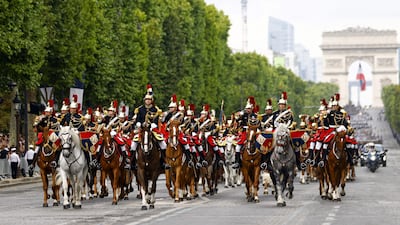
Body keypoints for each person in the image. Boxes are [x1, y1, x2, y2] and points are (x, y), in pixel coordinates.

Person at [132, 84, 168, 169]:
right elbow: (138, 119)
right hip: (142, 130)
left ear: (151, 100)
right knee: (133, 145)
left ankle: (164, 162)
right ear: (144, 100)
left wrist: (152, 125)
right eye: (146, 100)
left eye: (149, 99)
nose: (147, 101)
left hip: (152, 130)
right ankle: (133, 163)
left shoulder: (155, 109)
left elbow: (156, 120)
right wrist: (139, 124)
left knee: (163, 144)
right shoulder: (140, 109)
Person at [316, 93, 349, 167]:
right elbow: (326, 124)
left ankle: (350, 159)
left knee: (348, 144)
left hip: (339, 131)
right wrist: (324, 118)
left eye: (335, 106)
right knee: (325, 142)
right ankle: (323, 160)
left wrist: (342, 128)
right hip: (331, 131)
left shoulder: (341, 114)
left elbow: (345, 123)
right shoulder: (329, 113)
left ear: (337, 106)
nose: (334, 107)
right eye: (333, 106)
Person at [232, 96, 258, 169]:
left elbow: (258, 124)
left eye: (249, 109)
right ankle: (237, 162)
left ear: (252, 108)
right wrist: (238, 116)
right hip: (244, 133)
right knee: (237, 147)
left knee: (260, 145)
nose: (248, 110)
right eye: (247, 109)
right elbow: (237, 120)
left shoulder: (255, 116)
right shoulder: (243, 115)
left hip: (253, 132)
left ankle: (262, 161)